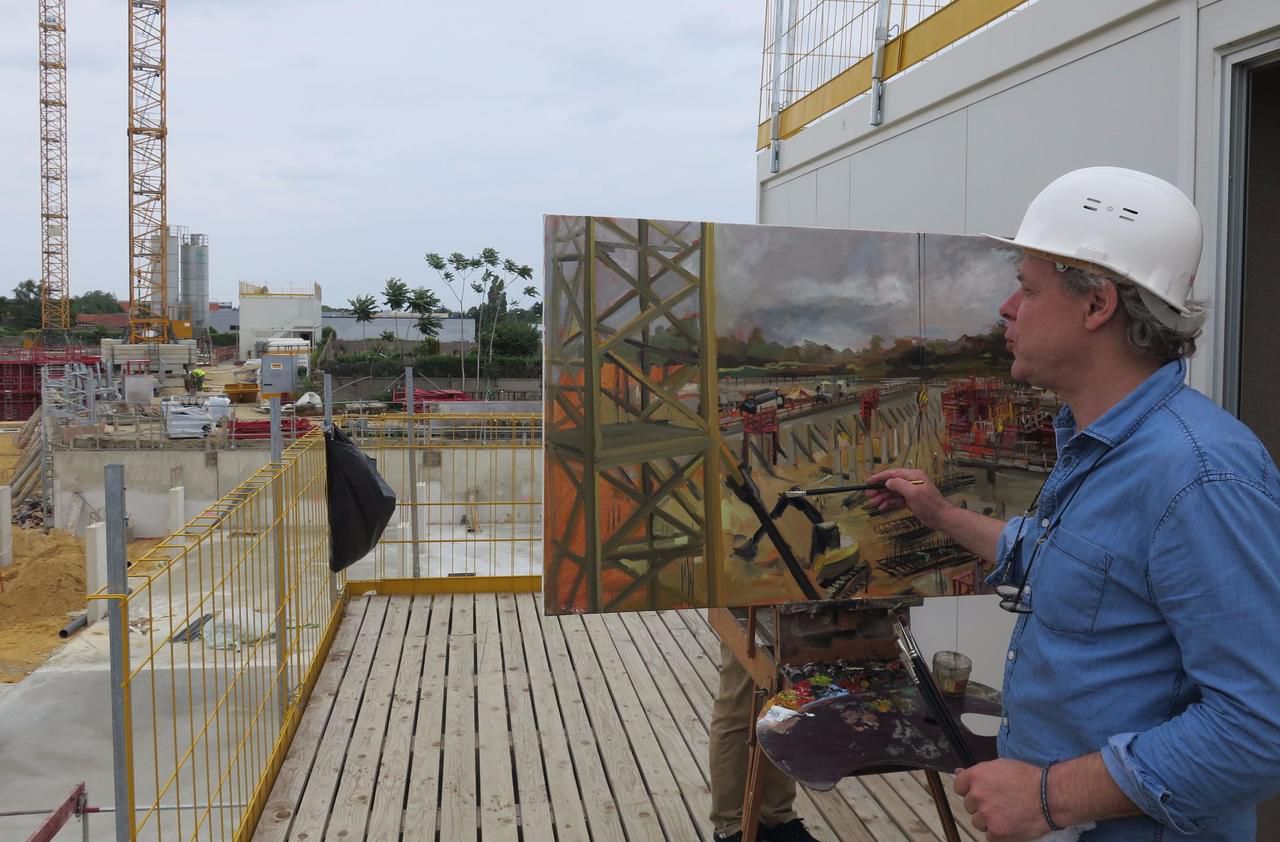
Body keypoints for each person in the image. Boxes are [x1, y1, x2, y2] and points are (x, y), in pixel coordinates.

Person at [866, 166, 1280, 841]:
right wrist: (940, 515)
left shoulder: (1199, 474)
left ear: (1097, 306)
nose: (1006, 308)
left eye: (1026, 289)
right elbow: (1069, 566)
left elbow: (1262, 727)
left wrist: (1050, 796)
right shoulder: (1108, 445)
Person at [710, 645, 821, 841]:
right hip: (750, 617)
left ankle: (776, 816)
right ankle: (730, 825)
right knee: (739, 704)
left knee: (785, 702)